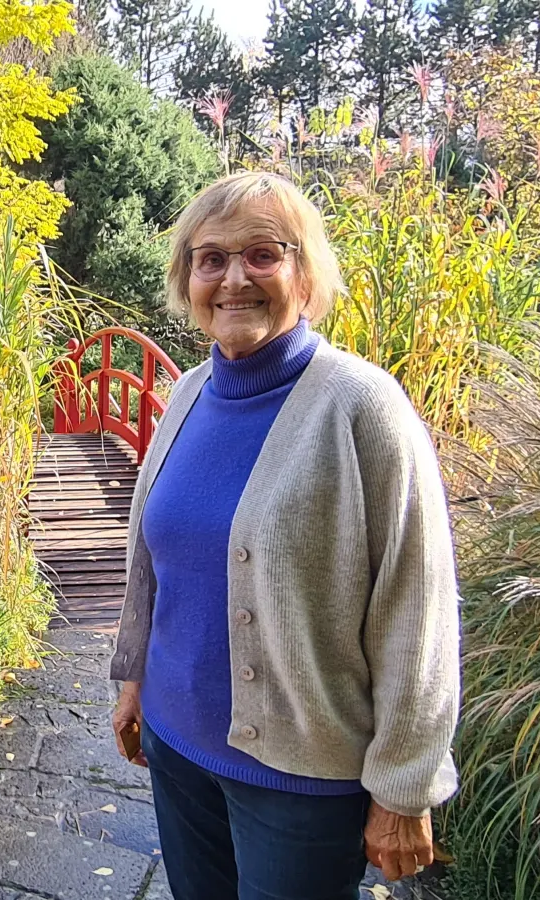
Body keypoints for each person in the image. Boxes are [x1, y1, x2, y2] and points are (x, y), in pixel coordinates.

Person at [108, 171, 461, 900]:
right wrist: (135, 677)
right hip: (175, 745)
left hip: (300, 780)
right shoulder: (186, 395)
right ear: (189, 282)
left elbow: (416, 606)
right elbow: (159, 562)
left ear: (304, 273)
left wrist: (405, 785)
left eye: (263, 254)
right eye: (211, 259)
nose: (235, 278)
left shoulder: (362, 406)